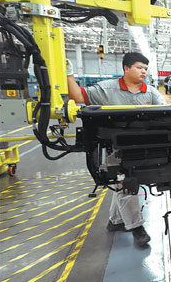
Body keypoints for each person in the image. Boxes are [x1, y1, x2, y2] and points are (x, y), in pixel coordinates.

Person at [66, 52, 165, 247]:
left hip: (140, 146)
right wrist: (69, 74)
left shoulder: (151, 92)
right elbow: (77, 96)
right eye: (139, 67)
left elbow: (163, 115)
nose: (144, 71)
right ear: (126, 68)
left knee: (121, 184)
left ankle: (115, 221)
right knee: (126, 182)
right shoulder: (107, 89)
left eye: (146, 68)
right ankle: (137, 227)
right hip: (114, 148)